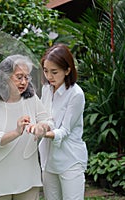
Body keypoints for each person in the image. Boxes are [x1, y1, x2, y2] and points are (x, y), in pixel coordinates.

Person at [0, 54, 54, 200]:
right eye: (19, 77)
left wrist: (42, 127)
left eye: (27, 77)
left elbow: (48, 120)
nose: (24, 82)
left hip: (28, 178)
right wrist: (15, 132)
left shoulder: (31, 99)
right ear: (4, 77)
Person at [38, 43, 88, 200]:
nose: (49, 76)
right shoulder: (47, 88)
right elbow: (43, 117)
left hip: (70, 159)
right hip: (48, 158)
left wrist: (43, 132)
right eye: (46, 71)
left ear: (67, 70)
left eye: (54, 72)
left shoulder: (76, 94)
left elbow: (64, 131)